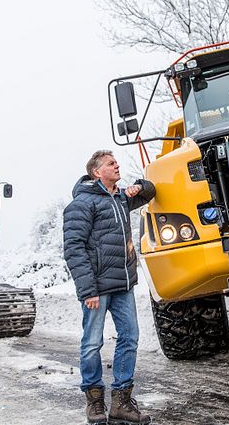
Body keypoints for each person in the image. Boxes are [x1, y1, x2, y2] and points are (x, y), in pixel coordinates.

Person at [63, 150, 156, 425]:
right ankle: (94, 402)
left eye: (116, 162)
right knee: (92, 343)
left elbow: (150, 191)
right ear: (96, 172)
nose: (117, 166)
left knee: (130, 337)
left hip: (123, 284)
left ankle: (121, 402)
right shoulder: (83, 203)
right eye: (111, 164)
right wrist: (88, 290)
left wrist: (140, 186)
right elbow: (74, 248)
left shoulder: (120, 198)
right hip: (97, 288)